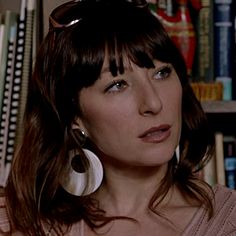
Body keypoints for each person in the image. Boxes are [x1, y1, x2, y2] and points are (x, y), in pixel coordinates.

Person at [0, 0, 235, 235]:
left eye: (162, 73)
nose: (154, 103)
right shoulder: (26, 224)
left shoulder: (228, 221)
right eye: (117, 85)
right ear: (74, 116)